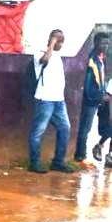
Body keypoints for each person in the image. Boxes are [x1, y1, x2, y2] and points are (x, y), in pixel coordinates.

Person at [28, 29, 74, 174]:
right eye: (59, 41)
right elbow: (44, 61)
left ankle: (58, 162)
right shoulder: (40, 53)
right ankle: (34, 163)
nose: (61, 44)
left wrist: (55, 45)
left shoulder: (58, 56)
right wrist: (52, 43)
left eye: (61, 41)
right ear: (52, 40)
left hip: (59, 101)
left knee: (65, 128)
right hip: (45, 99)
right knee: (38, 131)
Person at [74, 32, 109, 167]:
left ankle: (85, 153)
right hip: (90, 100)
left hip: (98, 99)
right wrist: (100, 96)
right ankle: (80, 156)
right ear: (96, 43)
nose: (105, 46)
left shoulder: (101, 58)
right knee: (85, 128)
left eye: (107, 43)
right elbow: (88, 85)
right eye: (102, 43)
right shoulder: (91, 60)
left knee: (91, 128)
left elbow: (100, 79)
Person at [92, 77, 112, 167]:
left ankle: (109, 155)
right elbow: (110, 99)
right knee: (109, 131)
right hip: (107, 110)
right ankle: (98, 146)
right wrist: (111, 116)